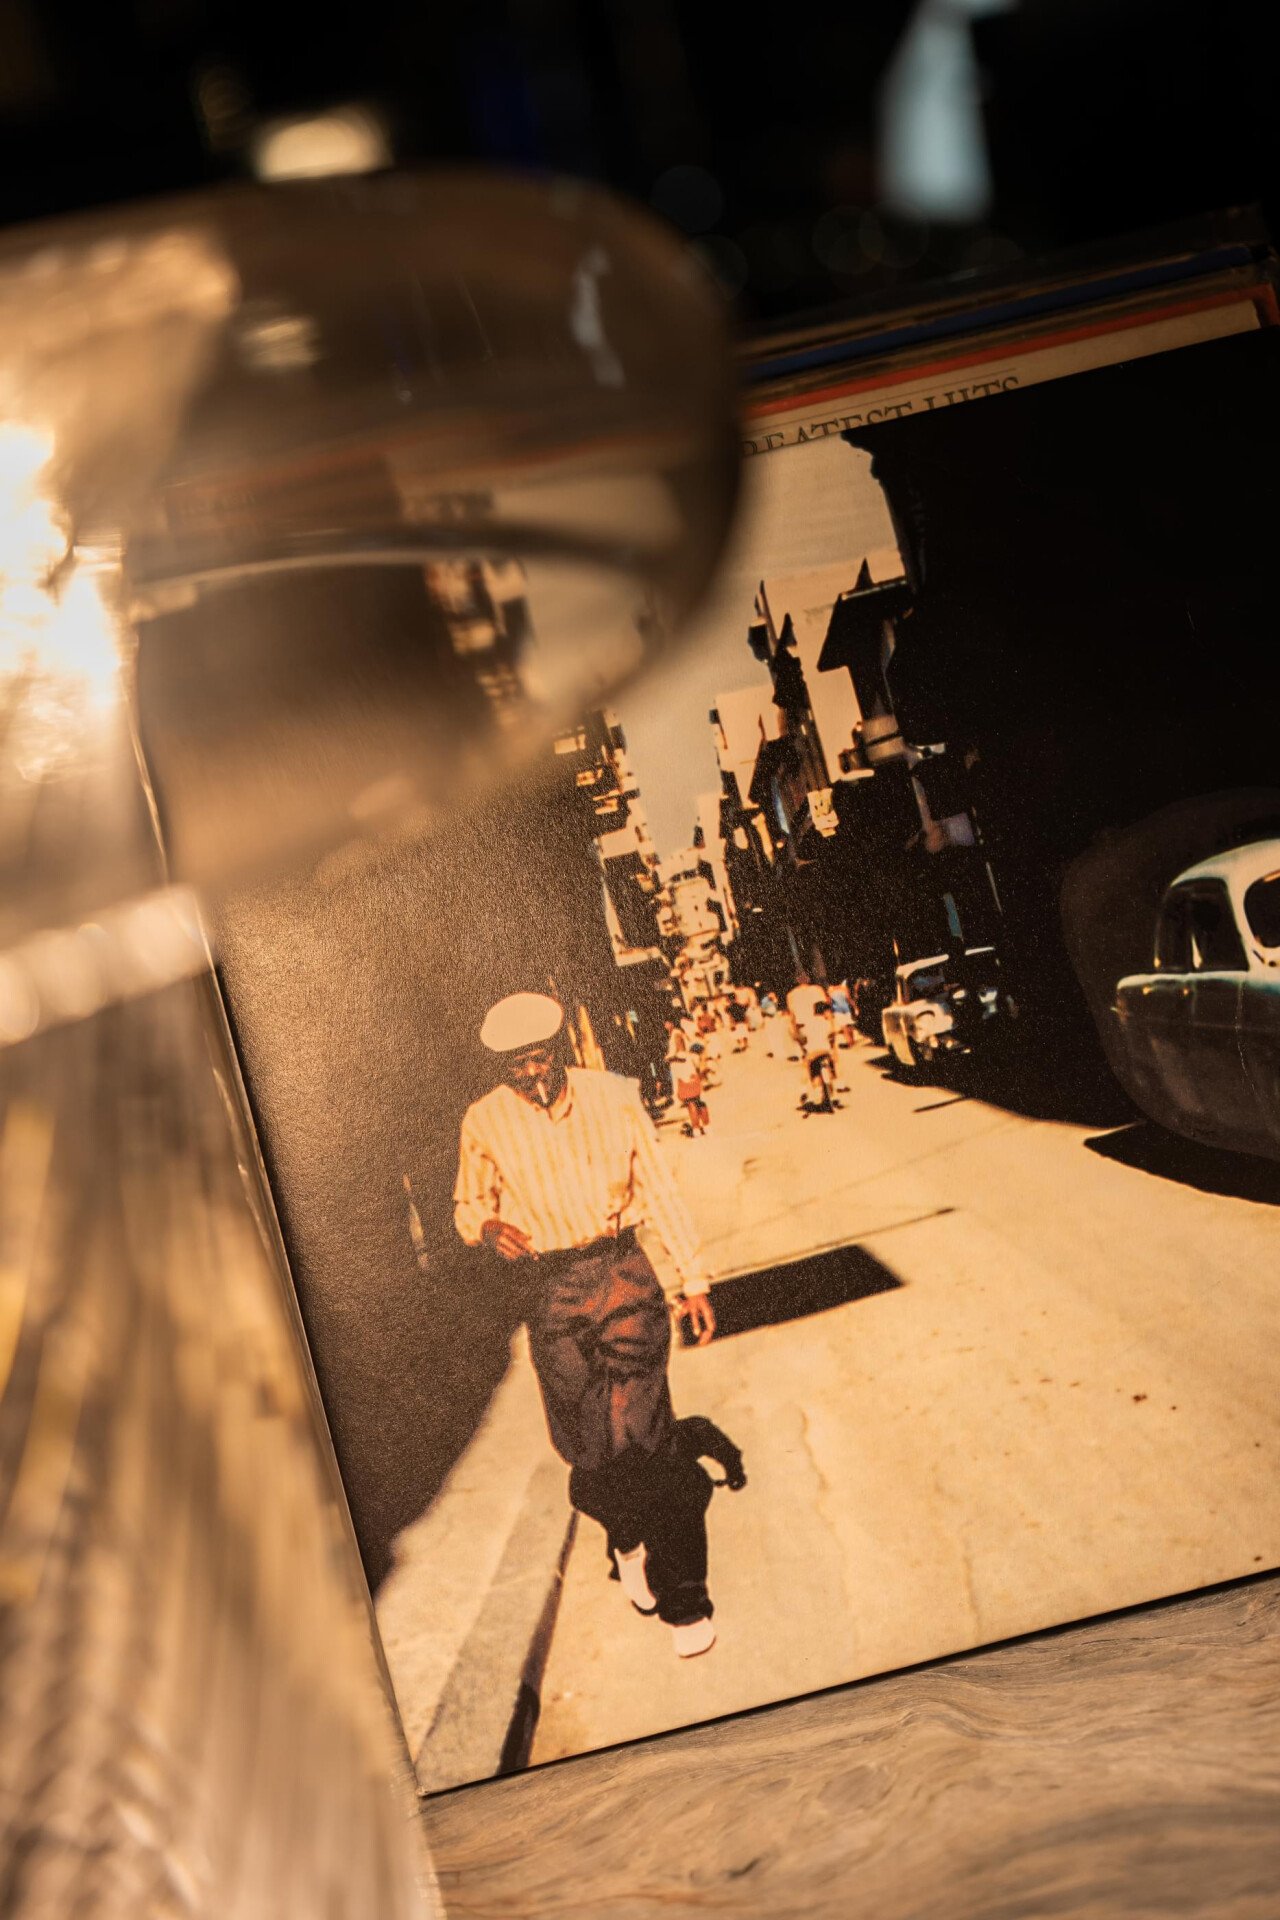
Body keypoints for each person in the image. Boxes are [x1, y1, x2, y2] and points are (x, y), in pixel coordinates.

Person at [454, 992, 734, 1657]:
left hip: (623, 1273)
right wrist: (487, 1227)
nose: (530, 1076)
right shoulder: (484, 1120)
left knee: (638, 1429)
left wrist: (692, 1278)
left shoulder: (613, 1096)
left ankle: (686, 1601)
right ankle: (627, 1535)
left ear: (561, 1049)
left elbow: (659, 1186)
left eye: (538, 1059)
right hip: (549, 1291)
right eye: (515, 1066)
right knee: (586, 1446)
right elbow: (468, 1206)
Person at [666, 1020, 710, 1136]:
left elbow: (680, 1055)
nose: (665, 1026)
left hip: (683, 1070)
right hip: (691, 1067)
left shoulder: (676, 1034)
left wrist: (669, 1058)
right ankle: (706, 1126)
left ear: (671, 1023)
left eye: (666, 1023)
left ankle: (696, 1128)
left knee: (690, 1101)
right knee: (698, 1098)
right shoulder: (683, 1032)